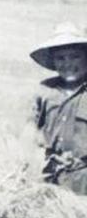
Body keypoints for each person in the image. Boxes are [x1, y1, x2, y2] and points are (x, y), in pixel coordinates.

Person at [29, 23, 87, 193]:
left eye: (74, 57)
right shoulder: (45, 90)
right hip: (50, 178)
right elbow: (30, 129)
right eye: (61, 58)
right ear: (53, 62)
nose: (67, 64)